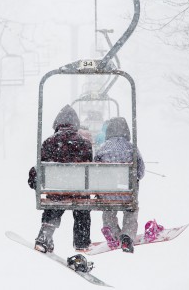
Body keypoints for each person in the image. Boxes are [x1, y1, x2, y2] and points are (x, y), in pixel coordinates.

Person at [28, 105, 93, 253]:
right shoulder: (85, 144)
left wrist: (33, 181)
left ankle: (45, 236)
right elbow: (90, 170)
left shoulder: (48, 143)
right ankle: (81, 242)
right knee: (82, 208)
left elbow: (39, 168)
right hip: (79, 192)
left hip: (56, 192)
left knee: (54, 204)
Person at [94, 117, 145, 253]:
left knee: (109, 208)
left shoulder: (102, 148)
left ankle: (111, 230)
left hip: (108, 193)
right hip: (127, 193)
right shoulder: (132, 148)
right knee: (131, 210)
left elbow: (94, 171)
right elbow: (140, 172)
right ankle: (127, 236)